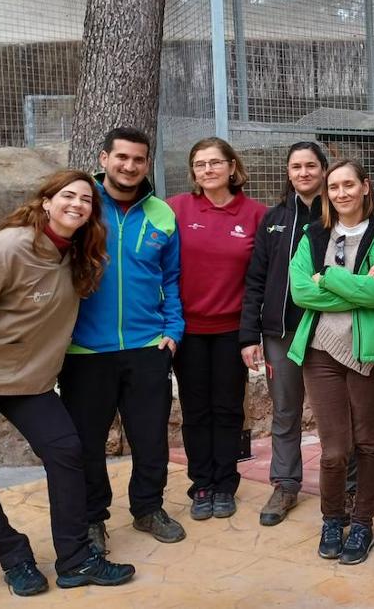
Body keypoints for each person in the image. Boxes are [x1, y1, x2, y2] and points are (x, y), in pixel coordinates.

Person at [0, 170, 135, 596]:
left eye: (86, 200)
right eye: (68, 196)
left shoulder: (78, 251)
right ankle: (12, 556)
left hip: (31, 382)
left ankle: (75, 558)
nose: (77, 204)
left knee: (66, 452)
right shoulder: (4, 248)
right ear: (45, 202)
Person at [60, 127, 186, 552]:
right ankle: (94, 518)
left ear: (147, 164)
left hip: (147, 347)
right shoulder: (80, 209)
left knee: (151, 438)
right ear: (104, 158)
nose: (129, 166)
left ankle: (148, 508)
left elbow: (170, 278)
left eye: (138, 159)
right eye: (122, 158)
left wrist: (172, 331)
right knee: (87, 444)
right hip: (84, 352)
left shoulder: (162, 215)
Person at [289, 159, 374, 565]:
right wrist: (356, 284)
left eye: (349, 184)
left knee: (367, 442)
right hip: (321, 352)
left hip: (368, 353)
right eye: (333, 187)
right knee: (335, 449)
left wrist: (328, 278)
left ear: (365, 187)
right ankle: (333, 519)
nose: (341, 193)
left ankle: (363, 522)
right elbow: (301, 292)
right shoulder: (313, 235)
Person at [168, 138, 266, 520]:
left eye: (214, 162)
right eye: (199, 164)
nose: (207, 170)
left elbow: (259, 279)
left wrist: (252, 334)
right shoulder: (175, 209)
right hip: (188, 330)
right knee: (195, 411)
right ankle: (202, 484)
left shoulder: (255, 214)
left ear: (231, 167)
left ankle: (226, 483)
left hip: (232, 331)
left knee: (227, 410)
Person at [240, 141, 326, 526]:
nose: (304, 172)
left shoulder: (338, 214)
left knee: (338, 414)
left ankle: (350, 483)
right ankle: (286, 484)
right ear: (288, 173)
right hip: (282, 333)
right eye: (296, 166)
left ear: (323, 170)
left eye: (311, 165)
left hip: (329, 330)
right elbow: (256, 280)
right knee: (286, 411)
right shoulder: (274, 218)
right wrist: (249, 335)